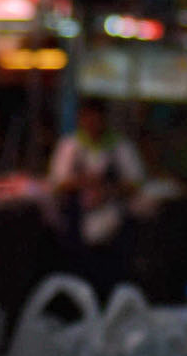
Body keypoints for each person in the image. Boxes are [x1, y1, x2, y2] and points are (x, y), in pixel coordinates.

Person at [44, 97, 153, 282]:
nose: (91, 123)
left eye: (96, 118)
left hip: (114, 227)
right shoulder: (70, 146)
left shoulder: (120, 147)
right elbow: (56, 183)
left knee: (111, 274)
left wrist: (108, 189)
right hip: (76, 228)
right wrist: (84, 182)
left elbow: (136, 182)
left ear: (104, 119)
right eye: (87, 118)